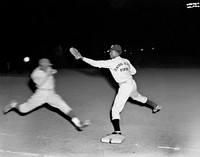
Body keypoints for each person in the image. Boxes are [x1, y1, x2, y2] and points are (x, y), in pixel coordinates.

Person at [72, 44, 162, 135]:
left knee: (115, 110)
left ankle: (117, 132)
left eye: (111, 51)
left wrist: (82, 58)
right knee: (138, 97)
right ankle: (155, 105)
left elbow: (96, 63)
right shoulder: (125, 60)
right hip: (132, 83)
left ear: (115, 52)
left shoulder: (112, 62)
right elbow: (134, 71)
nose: (109, 53)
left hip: (125, 86)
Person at [3, 58, 90, 131]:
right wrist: (48, 74)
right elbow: (41, 83)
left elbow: (51, 71)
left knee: (64, 106)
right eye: (46, 66)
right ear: (41, 66)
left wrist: (52, 71)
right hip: (41, 94)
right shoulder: (35, 74)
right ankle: (13, 104)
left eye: (49, 65)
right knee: (23, 110)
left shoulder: (48, 69)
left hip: (51, 94)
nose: (48, 67)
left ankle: (78, 123)